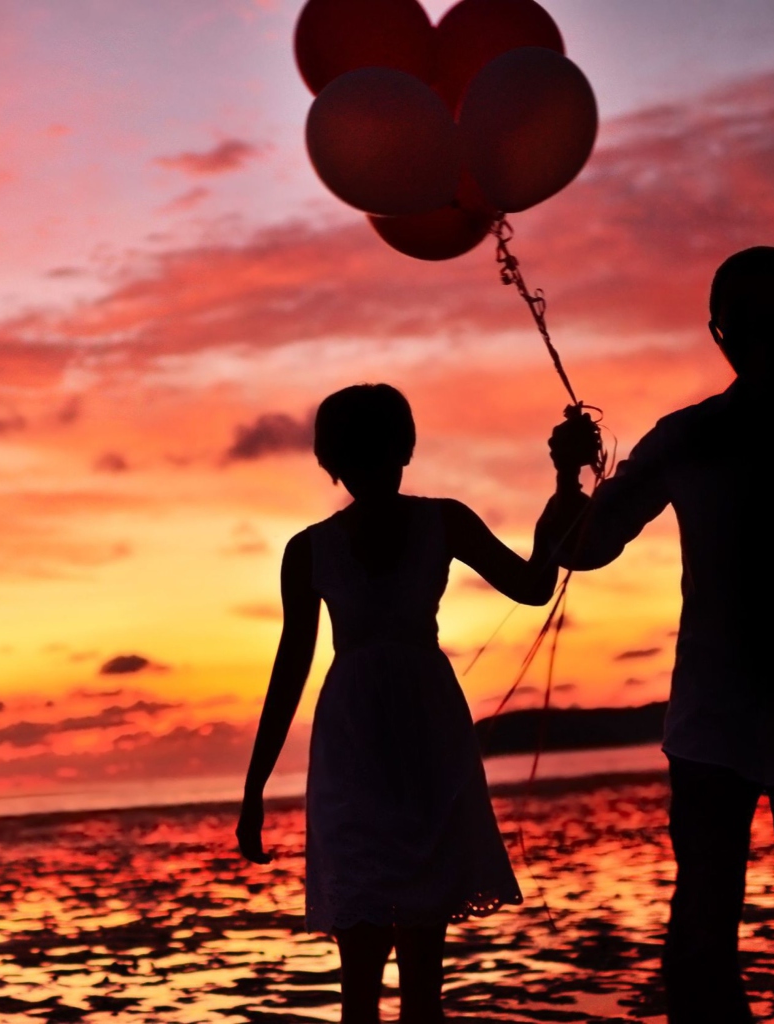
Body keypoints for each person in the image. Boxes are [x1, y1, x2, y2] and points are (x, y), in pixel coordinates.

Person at [548, 247, 774, 1023]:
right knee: (735, 938)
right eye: (747, 326)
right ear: (720, 334)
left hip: (773, 731)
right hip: (733, 732)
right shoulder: (702, 439)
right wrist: (570, 479)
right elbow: (582, 550)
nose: (759, 341)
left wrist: (570, 483)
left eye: (772, 325)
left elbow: (579, 550)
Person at [237, 383, 584, 1023]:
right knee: (380, 960)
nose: (370, 467)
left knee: (404, 964)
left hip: (418, 737)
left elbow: (535, 586)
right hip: (371, 741)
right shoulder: (313, 548)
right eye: (361, 453)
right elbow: (288, 672)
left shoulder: (436, 521)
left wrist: (565, 486)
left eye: (377, 451)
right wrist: (254, 787)